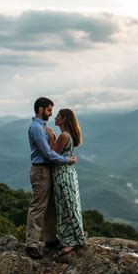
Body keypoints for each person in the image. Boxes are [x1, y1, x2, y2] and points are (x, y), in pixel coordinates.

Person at [26, 97, 76, 260]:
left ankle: (50, 239)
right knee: (39, 206)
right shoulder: (37, 128)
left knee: (51, 205)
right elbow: (47, 153)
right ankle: (32, 244)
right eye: (48, 110)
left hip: (48, 169)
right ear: (40, 110)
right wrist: (66, 160)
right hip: (41, 170)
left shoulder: (43, 127)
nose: (51, 113)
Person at [50, 108, 86, 256]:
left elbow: (51, 154)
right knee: (71, 205)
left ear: (64, 119)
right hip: (69, 173)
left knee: (66, 206)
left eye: (58, 116)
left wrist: (49, 136)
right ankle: (73, 237)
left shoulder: (64, 136)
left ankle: (71, 241)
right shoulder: (68, 135)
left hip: (62, 174)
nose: (55, 118)